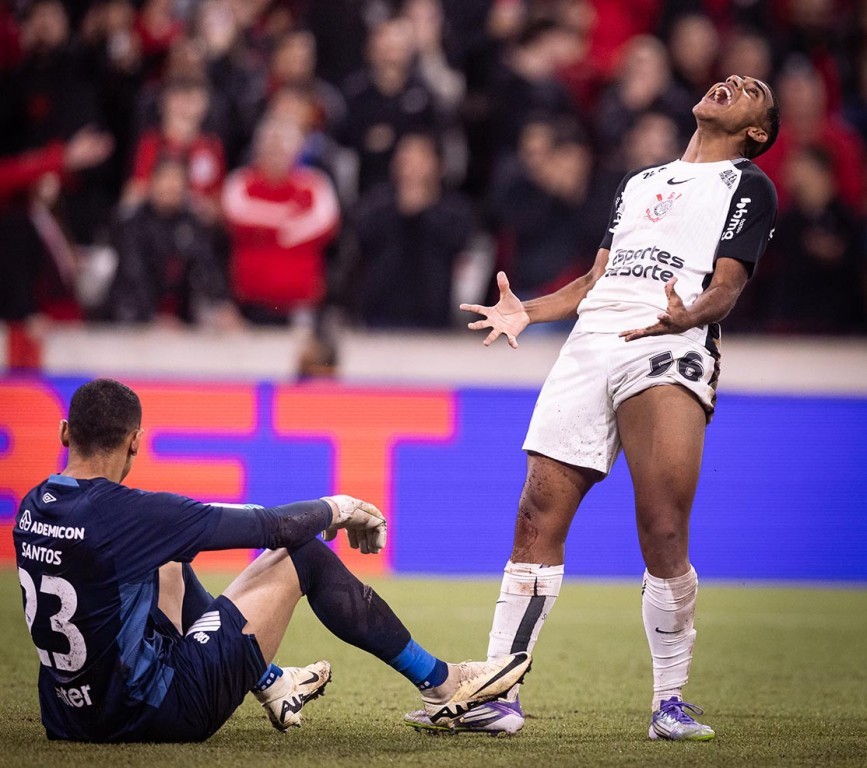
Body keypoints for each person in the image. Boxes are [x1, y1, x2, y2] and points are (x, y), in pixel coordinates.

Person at [405, 74, 780, 739]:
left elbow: (726, 288)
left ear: (756, 131)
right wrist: (528, 308)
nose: (731, 82)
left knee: (661, 526)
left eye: (750, 89)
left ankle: (668, 702)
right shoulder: (638, 181)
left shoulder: (748, 185)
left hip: (664, 341)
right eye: (729, 78)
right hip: (588, 346)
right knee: (533, 517)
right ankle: (498, 695)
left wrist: (685, 316)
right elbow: (592, 281)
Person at [13, 378, 531, 743]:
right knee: (302, 554)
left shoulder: (32, 505)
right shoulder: (134, 515)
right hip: (158, 713)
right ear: (135, 442)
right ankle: (442, 682)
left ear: (64, 433)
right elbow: (275, 527)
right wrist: (340, 508)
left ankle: (273, 683)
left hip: (68, 719)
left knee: (165, 561)